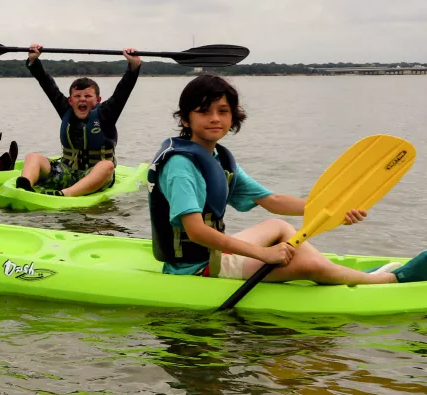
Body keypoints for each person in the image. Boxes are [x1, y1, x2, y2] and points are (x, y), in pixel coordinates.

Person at [149, 74, 427, 284]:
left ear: (232, 117)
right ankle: (387, 280)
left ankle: (342, 274)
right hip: (196, 269)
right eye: (203, 111)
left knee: (278, 225)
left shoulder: (218, 158)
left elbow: (273, 201)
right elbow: (196, 232)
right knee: (308, 267)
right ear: (185, 119)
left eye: (223, 111)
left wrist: (335, 211)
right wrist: (264, 255)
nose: (214, 118)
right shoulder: (180, 166)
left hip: (214, 255)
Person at [16, 44, 142, 197]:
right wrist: (34, 61)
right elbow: (47, 84)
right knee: (32, 157)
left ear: (98, 100)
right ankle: (24, 188)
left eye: (88, 96)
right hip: (67, 172)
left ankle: (65, 194)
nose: (82, 99)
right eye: (77, 96)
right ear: (70, 100)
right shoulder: (66, 110)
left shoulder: (106, 113)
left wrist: (134, 66)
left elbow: (123, 90)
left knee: (107, 166)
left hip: (95, 175)